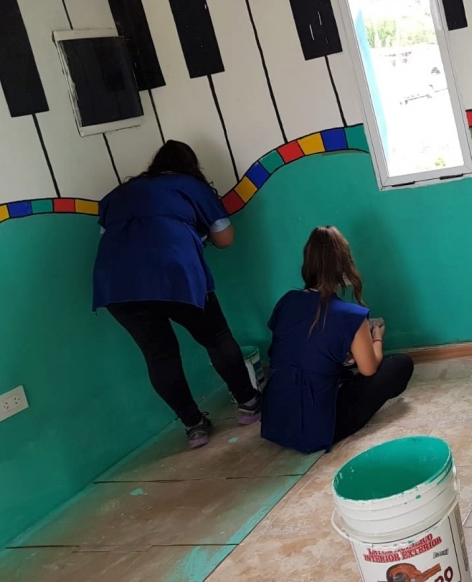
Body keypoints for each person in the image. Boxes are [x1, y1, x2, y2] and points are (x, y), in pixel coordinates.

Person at [93, 140, 261, 449]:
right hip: (174, 274)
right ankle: (249, 404)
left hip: (118, 284)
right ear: (191, 165)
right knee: (217, 338)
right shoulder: (190, 186)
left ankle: (194, 426)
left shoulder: (117, 195)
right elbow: (225, 239)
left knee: (159, 356)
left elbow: (112, 237)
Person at [261, 226, 414, 455]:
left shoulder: (287, 301)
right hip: (319, 429)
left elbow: (299, 348)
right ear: (344, 264)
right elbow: (369, 368)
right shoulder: (350, 315)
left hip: (276, 420)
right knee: (401, 364)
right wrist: (377, 337)